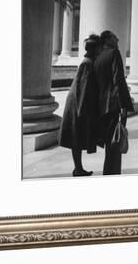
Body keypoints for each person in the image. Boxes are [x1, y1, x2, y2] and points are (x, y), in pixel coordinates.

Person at [58, 34, 101, 176]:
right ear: (95, 49)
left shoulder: (88, 61)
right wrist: (82, 110)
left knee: (77, 138)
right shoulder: (88, 63)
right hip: (78, 104)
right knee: (76, 137)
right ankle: (78, 168)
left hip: (78, 103)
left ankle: (78, 168)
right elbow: (83, 87)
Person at [94, 30, 134, 175]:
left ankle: (108, 171)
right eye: (115, 37)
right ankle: (112, 173)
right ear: (108, 40)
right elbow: (118, 81)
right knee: (115, 141)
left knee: (109, 142)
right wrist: (123, 105)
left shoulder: (98, 57)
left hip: (102, 106)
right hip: (113, 105)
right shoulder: (114, 53)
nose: (118, 39)